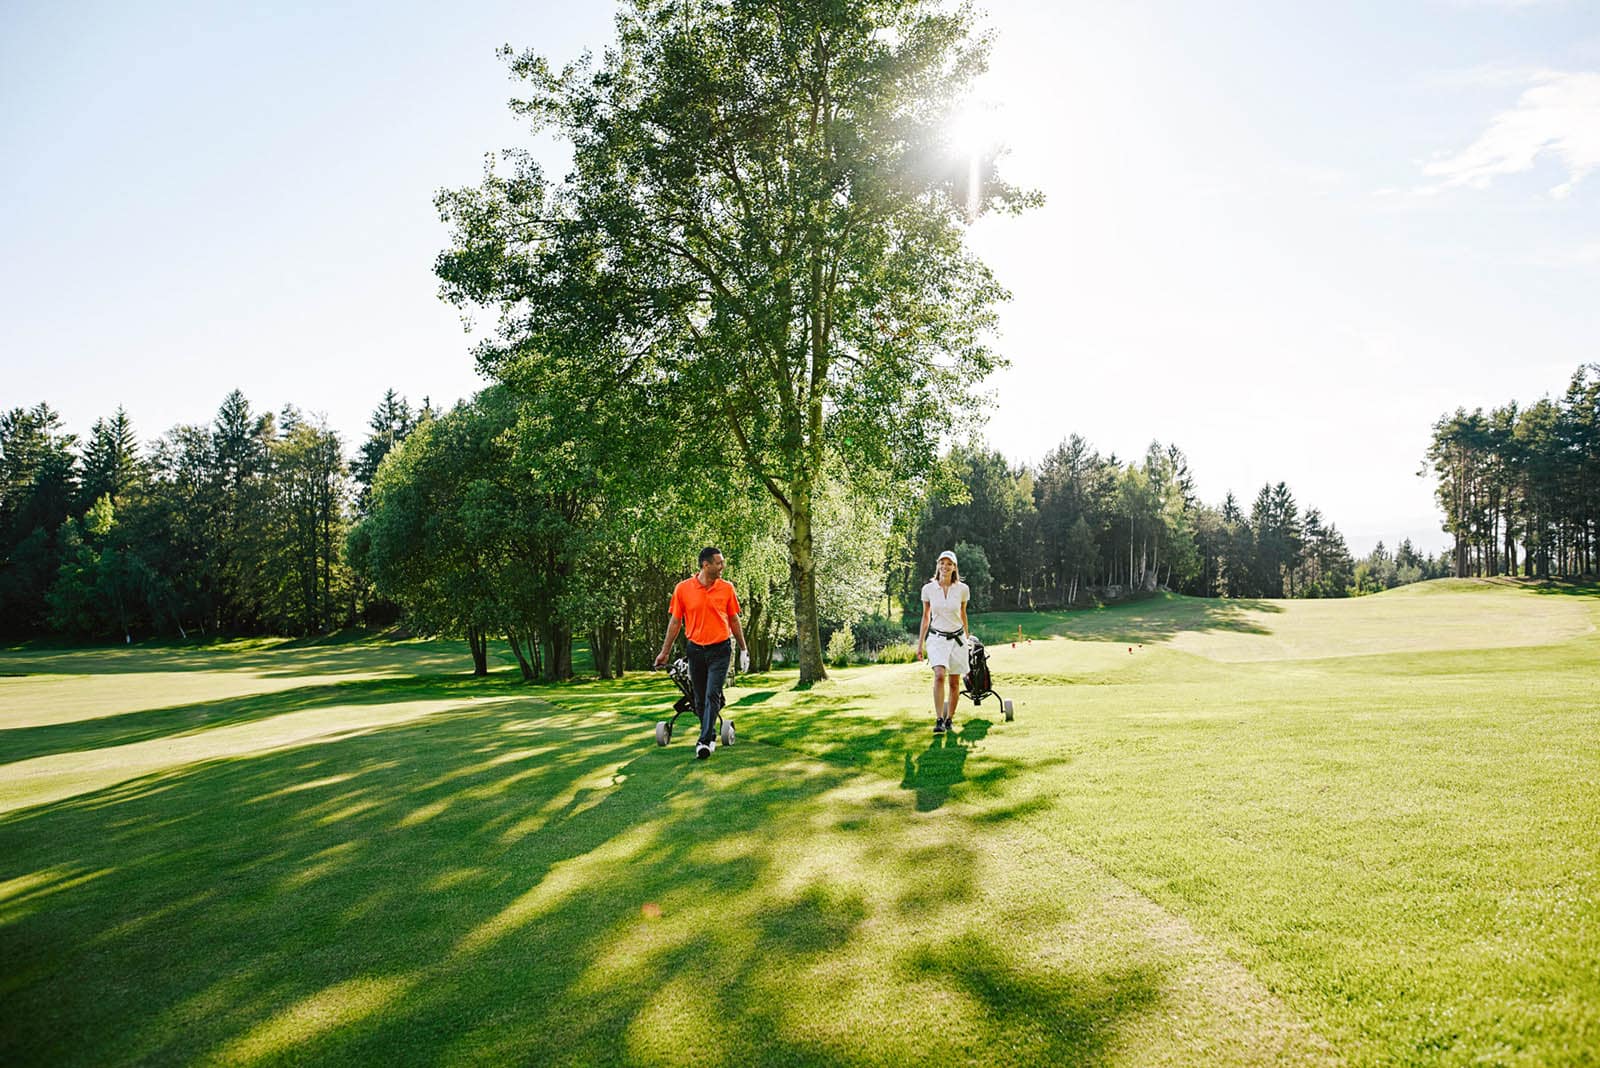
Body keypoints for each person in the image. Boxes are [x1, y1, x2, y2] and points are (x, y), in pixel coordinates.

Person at [655, 546, 750, 759]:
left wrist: (744, 650)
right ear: (705, 565)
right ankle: (711, 733)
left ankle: (704, 741)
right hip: (695, 650)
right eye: (718, 563)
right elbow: (675, 622)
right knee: (698, 699)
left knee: (711, 693)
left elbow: (734, 620)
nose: (722, 567)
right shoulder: (682, 589)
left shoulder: (727, 588)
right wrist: (665, 652)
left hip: (721, 650)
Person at [916, 549, 970, 734]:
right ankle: (939, 719)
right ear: (937, 565)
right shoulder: (928, 589)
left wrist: (967, 639)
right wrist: (920, 644)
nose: (945, 567)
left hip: (957, 639)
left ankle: (949, 719)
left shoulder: (962, 589)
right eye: (942, 563)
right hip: (937, 638)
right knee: (939, 674)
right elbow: (925, 617)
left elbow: (963, 614)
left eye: (949, 564)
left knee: (954, 682)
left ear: (954, 567)